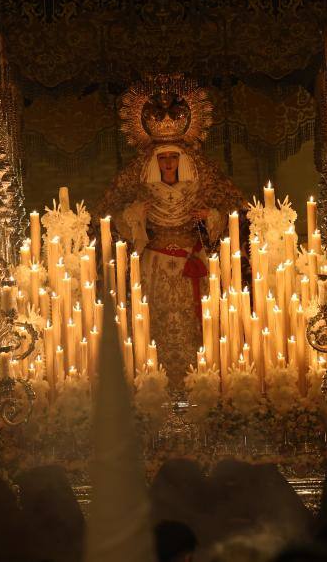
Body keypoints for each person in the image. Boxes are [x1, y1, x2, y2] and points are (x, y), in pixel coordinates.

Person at [98, 76, 244, 386]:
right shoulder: (137, 181)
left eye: (172, 158)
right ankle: (157, 380)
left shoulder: (201, 180)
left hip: (194, 260)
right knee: (157, 320)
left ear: (182, 161)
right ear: (154, 162)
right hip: (156, 263)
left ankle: (200, 379)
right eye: (162, 158)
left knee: (198, 320)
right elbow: (109, 212)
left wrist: (210, 216)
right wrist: (135, 214)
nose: (167, 163)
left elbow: (235, 207)